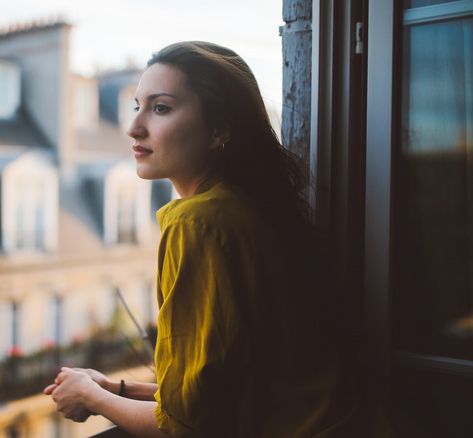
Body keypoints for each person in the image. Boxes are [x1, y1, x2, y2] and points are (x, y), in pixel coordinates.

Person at [44, 41, 395, 437]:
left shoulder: (198, 223)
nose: (134, 127)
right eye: (136, 105)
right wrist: (114, 387)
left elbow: (187, 428)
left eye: (160, 108)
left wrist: (92, 398)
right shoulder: (247, 209)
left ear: (219, 130)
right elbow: (220, 393)